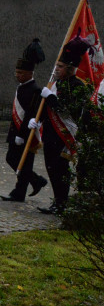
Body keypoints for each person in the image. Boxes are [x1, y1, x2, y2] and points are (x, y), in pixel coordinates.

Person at [30, 37, 93, 214]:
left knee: (60, 170)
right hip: (50, 133)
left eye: (60, 66)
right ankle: (57, 202)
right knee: (51, 168)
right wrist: (38, 119)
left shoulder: (77, 86)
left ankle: (61, 204)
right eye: (56, 66)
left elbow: (66, 110)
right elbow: (48, 108)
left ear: (70, 68)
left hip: (64, 135)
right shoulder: (57, 84)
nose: (56, 69)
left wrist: (50, 97)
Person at [0, 39, 49, 203]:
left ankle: (20, 191)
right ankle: (34, 182)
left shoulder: (35, 90)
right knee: (13, 159)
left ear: (30, 74)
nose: (18, 75)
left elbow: (30, 114)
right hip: (16, 132)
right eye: (16, 72)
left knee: (22, 161)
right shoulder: (22, 87)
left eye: (21, 73)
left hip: (26, 133)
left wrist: (22, 134)